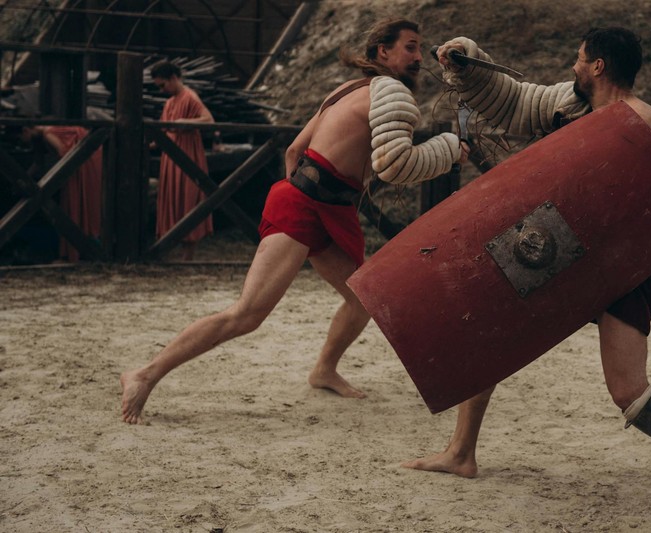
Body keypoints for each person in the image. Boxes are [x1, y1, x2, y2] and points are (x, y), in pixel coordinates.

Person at [401, 27, 651, 525]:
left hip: (618, 268)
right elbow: (514, 99)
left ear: (598, 66)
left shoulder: (641, 119)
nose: (573, 66)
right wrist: (466, 59)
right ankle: (461, 453)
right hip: (559, 254)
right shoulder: (569, 106)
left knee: (627, 390)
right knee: (491, 336)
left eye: (579, 59)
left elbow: (637, 203)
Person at [120, 18, 468, 425]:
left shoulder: (345, 90)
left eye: (419, 47)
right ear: (382, 52)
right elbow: (397, 164)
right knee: (247, 314)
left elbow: (293, 151)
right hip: (305, 205)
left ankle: (324, 370)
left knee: (363, 300)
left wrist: (307, 191)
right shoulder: (384, 94)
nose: (418, 56)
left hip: (327, 208)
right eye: (410, 46)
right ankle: (144, 374)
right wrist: (450, 149)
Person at [150, 60, 214, 261]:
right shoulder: (169, 102)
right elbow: (163, 129)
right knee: (171, 198)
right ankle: (169, 248)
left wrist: (184, 122)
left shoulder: (190, 97)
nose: (162, 90)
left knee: (188, 198)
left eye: (163, 85)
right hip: (171, 157)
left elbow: (208, 119)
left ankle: (188, 256)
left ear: (173, 78)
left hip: (188, 154)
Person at [19, 125, 103, 262]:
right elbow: (38, 163)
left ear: (25, 130)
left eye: (21, 138)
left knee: (77, 203)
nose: (23, 142)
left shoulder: (48, 133)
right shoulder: (38, 139)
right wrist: (22, 179)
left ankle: (83, 249)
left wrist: (50, 181)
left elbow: (64, 154)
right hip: (75, 164)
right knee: (71, 205)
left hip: (82, 162)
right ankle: (74, 251)